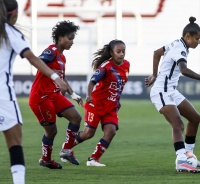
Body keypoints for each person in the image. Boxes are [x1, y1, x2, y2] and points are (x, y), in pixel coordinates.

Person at [0, 0, 67, 183]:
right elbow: (31, 57)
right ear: (14, 14)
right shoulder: (11, 33)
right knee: (14, 143)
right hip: (3, 97)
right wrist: (55, 77)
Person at [145, 17, 200, 173]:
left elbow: (157, 53)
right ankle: (181, 161)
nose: (198, 42)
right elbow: (184, 70)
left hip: (170, 90)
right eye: (197, 39)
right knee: (178, 124)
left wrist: (154, 74)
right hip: (161, 91)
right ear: (187, 37)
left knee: (195, 118)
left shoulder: (175, 43)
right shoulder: (181, 49)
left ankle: (189, 155)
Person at [29, 20, 83, 169]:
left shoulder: (62, 57)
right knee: (52, 131)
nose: (72, 42)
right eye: (70, 38)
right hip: (41, 98)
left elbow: (62, 77)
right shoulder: (51, 51)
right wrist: (52, 74)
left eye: (73, 38)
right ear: (60, 37)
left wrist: (73, 94)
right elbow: (39, 62)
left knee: (76, 118)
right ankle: (45, 160)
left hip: (54, 96)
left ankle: (66, 150)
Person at [70, 40, 130, 166]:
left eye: (123, 51)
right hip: (96, 104)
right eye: (118, 51)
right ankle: (66, 149)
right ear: (111, 53)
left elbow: (119, 85)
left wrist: (116, 100)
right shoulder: (105, 67)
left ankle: (93, 159)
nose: (121, 54)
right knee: (88, 134)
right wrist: (89, 95)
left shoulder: (127, 65)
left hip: (111, 107)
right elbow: (92, 82)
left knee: (111, 131)